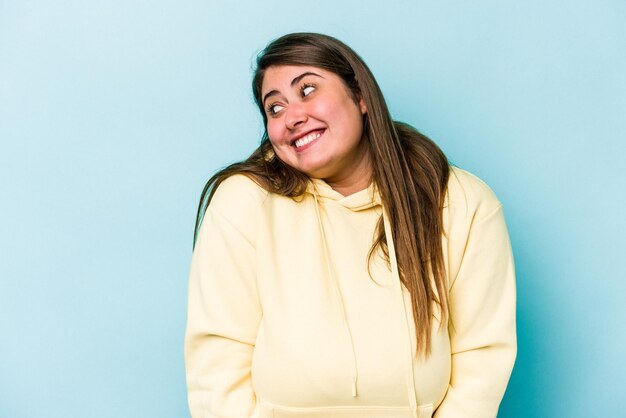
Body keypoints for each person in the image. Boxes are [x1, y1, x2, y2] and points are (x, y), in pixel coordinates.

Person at [184, 33, 516, 418]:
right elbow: (217, 358)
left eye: (307, 90)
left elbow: (482, 357)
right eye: (274, 109)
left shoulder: (461, 202)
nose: (292, 117)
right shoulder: (244, 201)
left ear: (360, 96)